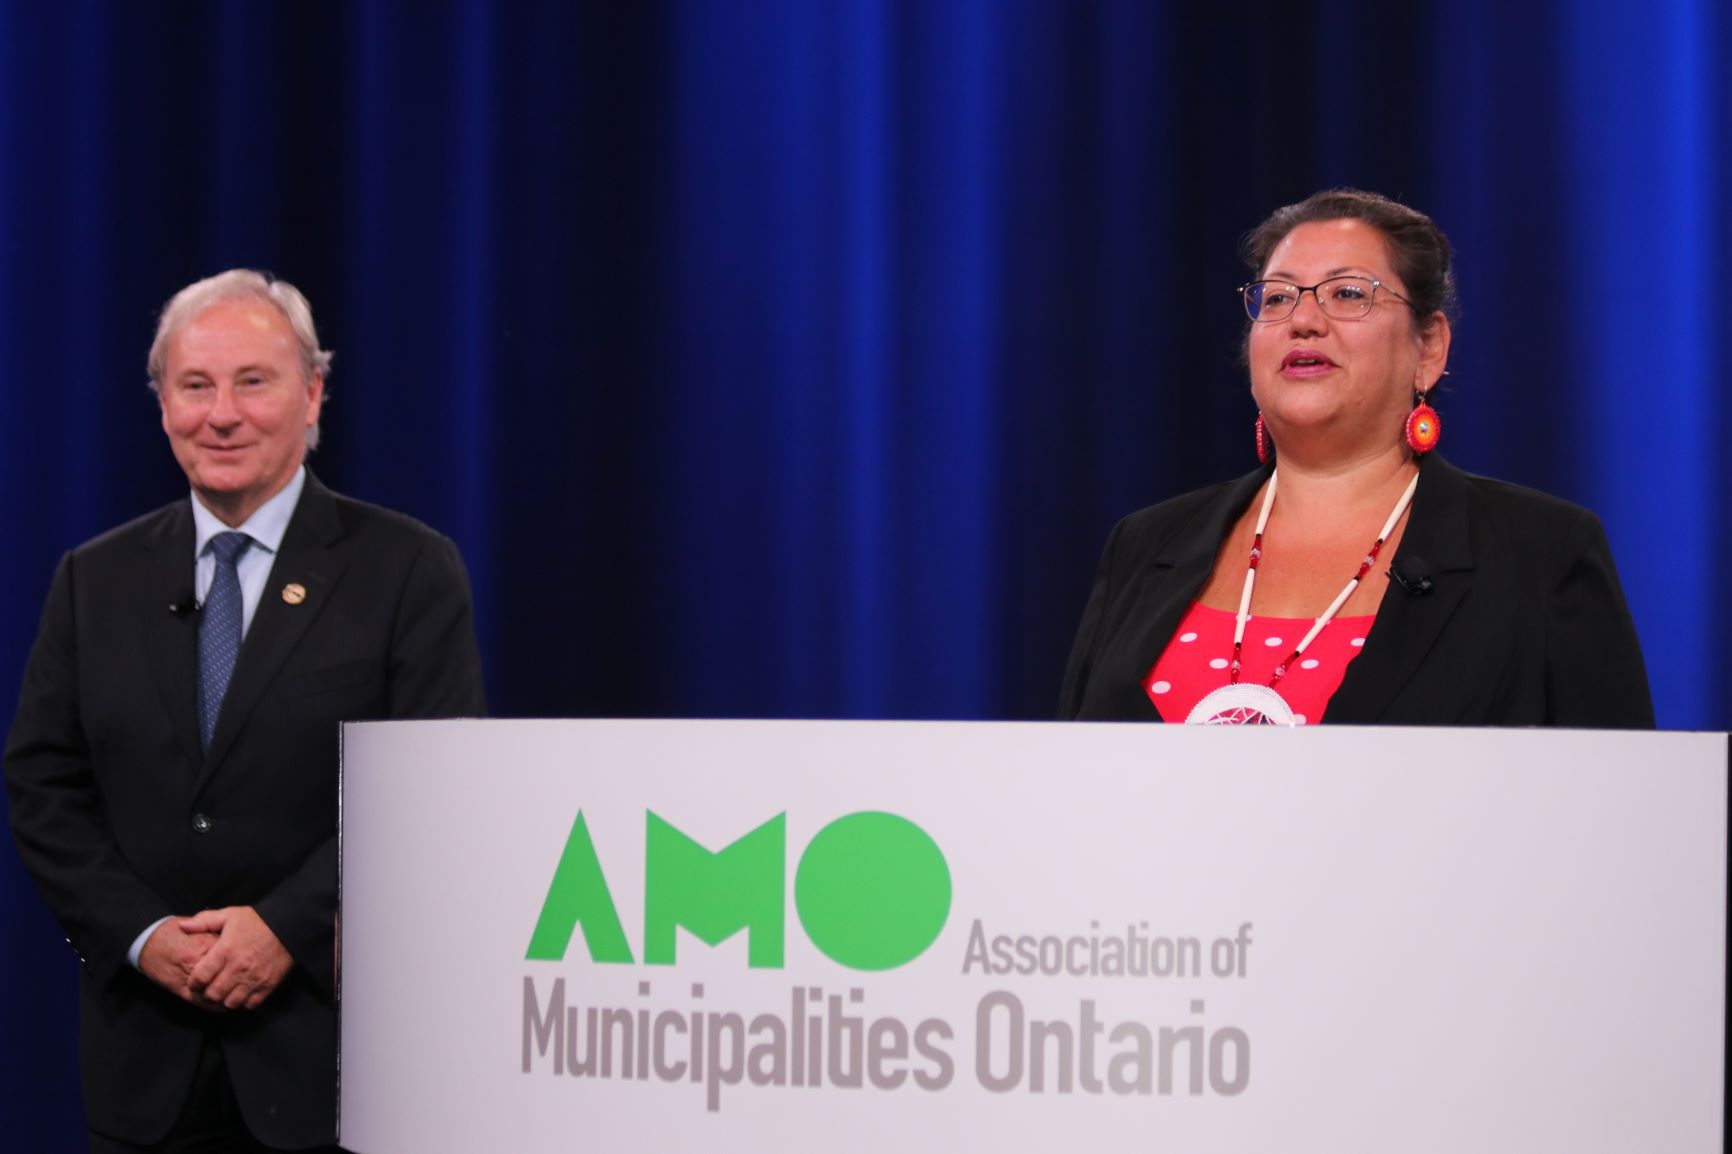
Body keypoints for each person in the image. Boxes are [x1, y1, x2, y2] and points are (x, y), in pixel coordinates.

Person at [4, 270, 486, 1151]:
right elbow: (42, 785)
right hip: (144, 1065)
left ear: (312, 396)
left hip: (330, 1060)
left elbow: (435, 794)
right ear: (162, 407)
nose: (220, 414)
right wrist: (143, 935)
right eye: (195, 386)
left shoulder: (407, 571)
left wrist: (285, 928)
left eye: (252, 382)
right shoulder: (93, 579)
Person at [1060, 188, 1653, 727]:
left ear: (1430, 348)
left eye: (1347, 293)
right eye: (1278, 297)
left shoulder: (1542, 553)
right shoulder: (1144, 546)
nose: (1304, 321)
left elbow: (1616, 811)